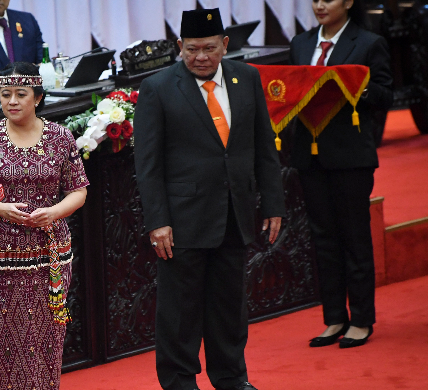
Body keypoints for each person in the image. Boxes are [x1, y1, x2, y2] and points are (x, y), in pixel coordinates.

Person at [133, 9, 285, 390]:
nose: (201, 57)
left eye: (210, 49)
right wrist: (157, 220)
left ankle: (232, 378)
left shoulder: (246, 78)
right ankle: (180, 382)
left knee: (229, 309)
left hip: (235, 213)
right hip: (181, 220)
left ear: (225, 45)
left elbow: (263, 147)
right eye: (192, 49)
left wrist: (273, 205)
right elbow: (147, 164)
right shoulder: (159, 88)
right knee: (179, 312)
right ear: (179, 46)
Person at [0, 62, 88, 390]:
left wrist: (55, 212)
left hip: (49, 257)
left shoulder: (61, 137)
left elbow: (78, 191)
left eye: (21, 94)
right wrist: (0, 208)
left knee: (46, 342)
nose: (12, 101)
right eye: (6, 95)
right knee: (3, 343)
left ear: (39, 98)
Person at [290, 0, 392, 349]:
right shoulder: (301, 44)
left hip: (350, 157)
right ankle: (334, 318)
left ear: (348, 2)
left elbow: (383, 94)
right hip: (309, 155)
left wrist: (348, 85)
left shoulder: (367, 43)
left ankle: (362, 320)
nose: (319, 5)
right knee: (323, 239)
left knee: (354, 236)